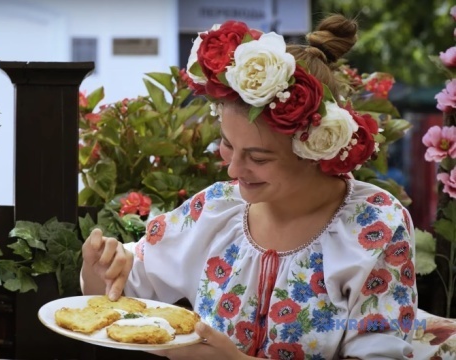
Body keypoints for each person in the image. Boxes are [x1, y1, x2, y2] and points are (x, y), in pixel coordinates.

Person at [81, 14, 417, 360]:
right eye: (227, 144)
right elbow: (119, 299)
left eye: (258, 157)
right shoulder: (216, 209)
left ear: (315, 147)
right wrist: (102, 270)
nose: (233, 168)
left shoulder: (373, 226)